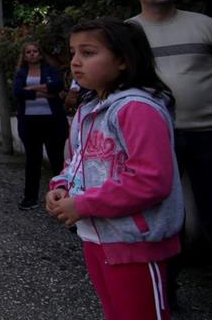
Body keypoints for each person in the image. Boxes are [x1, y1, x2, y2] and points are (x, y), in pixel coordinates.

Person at [47, 18, 182, 320]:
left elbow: (151, 181)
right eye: (73, 53)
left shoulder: (137, 108)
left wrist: (82, 204)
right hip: (96, 237)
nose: (76, 62)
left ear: (123, 59)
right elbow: (76, 161)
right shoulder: (87, 110)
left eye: (88, 53)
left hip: (136, 242)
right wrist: (61, 186)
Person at [127, 0, 212, 305]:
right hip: (156, 139)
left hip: (207, 133)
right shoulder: (127, 34)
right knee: (162, 217)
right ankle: (166, 290)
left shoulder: (204, 26)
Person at [12, 42, 67, 210]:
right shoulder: (21, 73)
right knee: (32, 161)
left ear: (40, 54)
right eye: (28, 52)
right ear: (24, 55)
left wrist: (32, 88)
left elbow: (58, 86)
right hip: (30, 123)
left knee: (57, 161)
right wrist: (45, 92)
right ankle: (30, 198)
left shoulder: (51, 70)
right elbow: (18, 92)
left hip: (52, 121)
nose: (32, 54)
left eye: (35, 51)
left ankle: (63, 199)